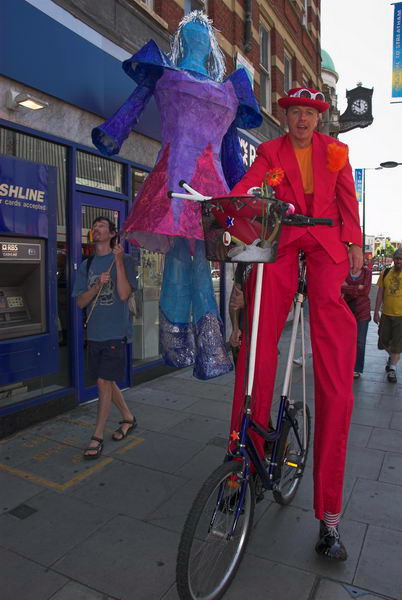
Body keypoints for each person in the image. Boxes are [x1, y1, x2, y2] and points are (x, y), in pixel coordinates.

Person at [225, 88, 363, 561]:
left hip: (325, 246)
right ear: (285, 117)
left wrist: (356, 245)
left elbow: (348, 202)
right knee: (257, 346)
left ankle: (330, 517)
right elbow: (250, 184)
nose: (303, 120)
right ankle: (240, 468)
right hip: (281, 245)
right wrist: (233, 204)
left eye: (310, 113)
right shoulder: (270, 151)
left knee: (336, 382)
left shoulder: (335, 152)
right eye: (296, 113)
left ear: (318, 119)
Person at [91, 11, 262, 380]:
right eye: (193, 32)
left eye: (205, 34)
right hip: (176, 178)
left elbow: (231, 154)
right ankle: (203, 349)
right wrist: (112, 133)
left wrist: (242, 195)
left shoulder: (229, 90)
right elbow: (130, 111)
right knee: (188, 260)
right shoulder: (164, 73)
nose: (201, 38)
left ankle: (187, 344)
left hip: (207, 184)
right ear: (184, 40)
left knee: (195, 260)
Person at [72, 217, 138, 459]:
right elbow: (79, 302)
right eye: (94, 226)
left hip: (115, 333)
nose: (96, 229)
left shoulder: (125, 260)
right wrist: (96, 287)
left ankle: (97, 435)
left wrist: (118, 262)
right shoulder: (86, 265)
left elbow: (123, 295)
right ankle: (128, 418)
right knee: (108, 381)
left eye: (101, 226)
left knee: (102, 382)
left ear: (112, 234)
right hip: (95, 334)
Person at [374, 247, 402, 383]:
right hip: (386, 313)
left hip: (401, 316)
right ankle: (393, 357)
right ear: (393, 260)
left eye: (401, 259)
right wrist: (376, 312)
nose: (399, 261)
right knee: (382, 341)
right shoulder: (385, 273)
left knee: (397, 343)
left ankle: (392, 369)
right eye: (397, 258)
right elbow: (380, 293)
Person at [342, 263, 372, 379]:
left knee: (360, 341)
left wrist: (348, 287)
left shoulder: (367, 273)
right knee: (346, 340)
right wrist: (357, 288)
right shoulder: (344, 271)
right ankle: (346, 366)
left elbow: (365, 291)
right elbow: (339, 287)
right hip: (347, 310)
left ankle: (357, 368)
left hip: (362, 311)